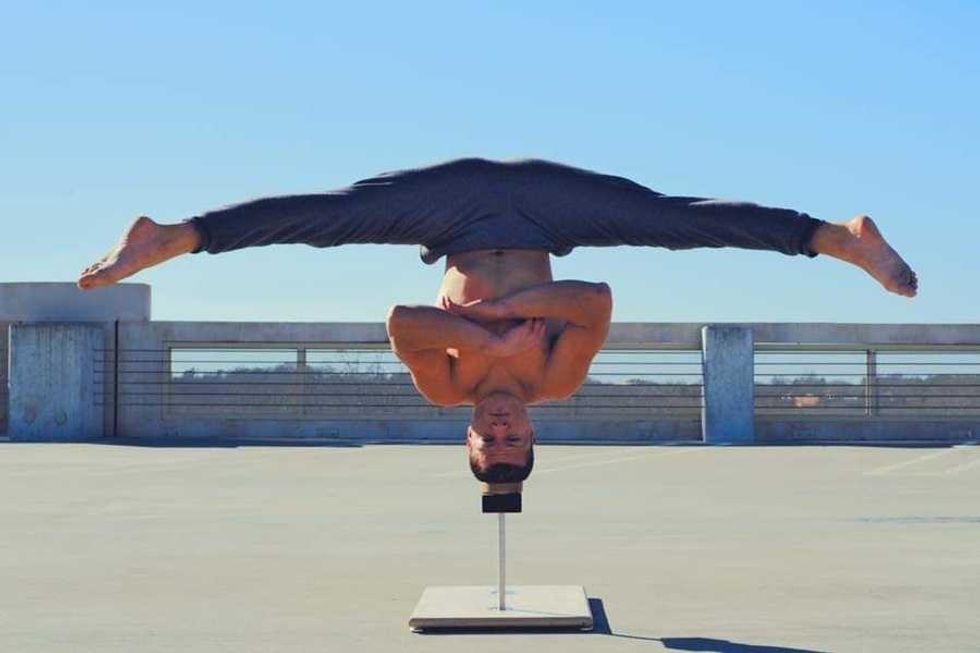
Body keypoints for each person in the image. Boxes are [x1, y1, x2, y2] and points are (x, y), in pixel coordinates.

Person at [77, 157, 918, 485]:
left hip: (453, 212)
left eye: (493, 442)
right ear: (531, 436)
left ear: (470, 443)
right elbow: (595, 301)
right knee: (670, 220)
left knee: (327, 215)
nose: (505, 427)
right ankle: (834, 238)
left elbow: (402, 318)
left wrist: (481, 336)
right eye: (518, 441)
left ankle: (176, 236)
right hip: (548, 212)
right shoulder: (555, 376)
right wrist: (510, 311)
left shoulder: (449, 387)